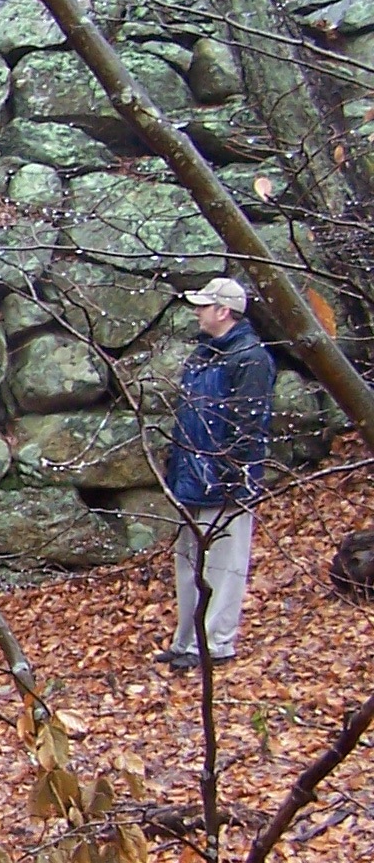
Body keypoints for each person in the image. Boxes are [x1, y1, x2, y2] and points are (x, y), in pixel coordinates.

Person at [154, 276, 275, 671]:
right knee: (188, 565)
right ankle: (187, 641)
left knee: (223, 566)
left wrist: (230, 476)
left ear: (224, 311)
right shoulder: (204, 354)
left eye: (204, 306)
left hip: (225, 486)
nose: (197, 311)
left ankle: (216, 644)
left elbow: (248, 428)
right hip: (191, 478)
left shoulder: (251, 359)